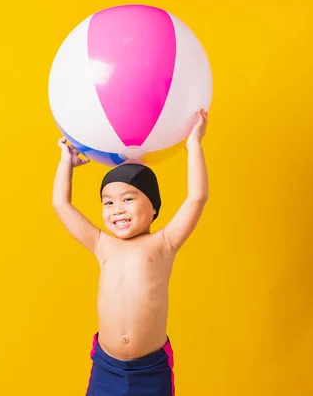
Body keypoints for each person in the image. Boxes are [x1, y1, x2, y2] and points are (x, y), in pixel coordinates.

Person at [52, 109, 209, 396]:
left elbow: (197, 197)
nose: (117, 210)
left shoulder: (164, 243)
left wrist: (194, 145)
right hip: (106, 366)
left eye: (128, 198)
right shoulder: (102, 244)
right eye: (108, 203)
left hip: (150, 370)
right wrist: (67, 163)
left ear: (153, 208)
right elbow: (62, 205)